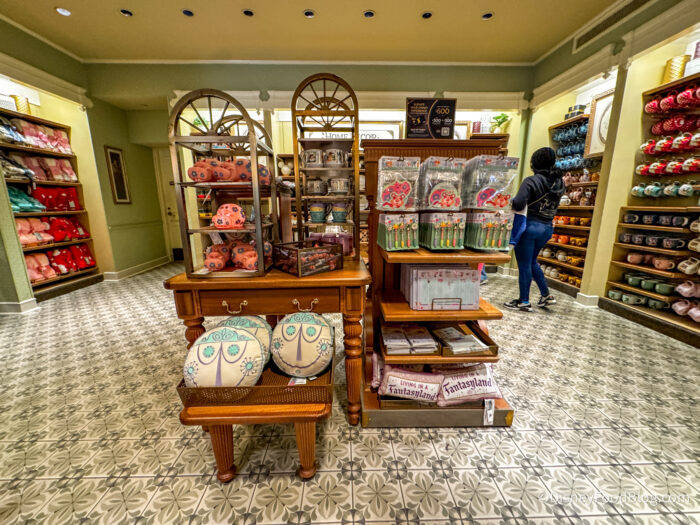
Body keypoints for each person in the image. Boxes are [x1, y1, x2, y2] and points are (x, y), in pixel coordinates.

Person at [504, 147, 565, 312]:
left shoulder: (531, 181)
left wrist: (508, 200)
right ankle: (546, 295)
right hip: (547, 228)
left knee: (524, 264)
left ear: (534, 163)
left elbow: (518, 204)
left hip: (529, 227)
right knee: (532, 261)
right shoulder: (559, 182)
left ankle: (523, 301)